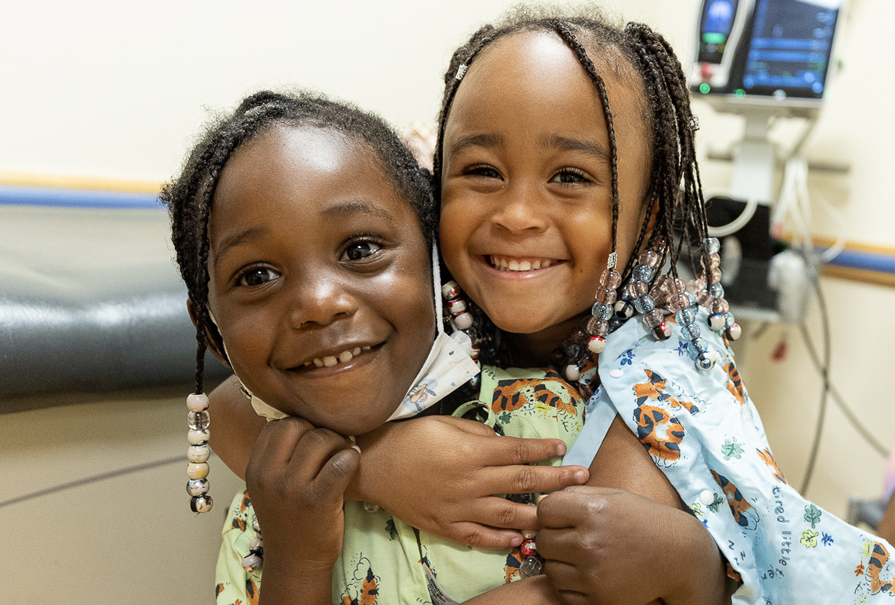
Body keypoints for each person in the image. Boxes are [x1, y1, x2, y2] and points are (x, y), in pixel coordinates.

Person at [204, 6, 895, 603]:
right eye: (480, 171)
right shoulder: (425, 305)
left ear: (647, 216)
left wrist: (695, 568)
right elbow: (232, 410)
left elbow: (567, 588)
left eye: (569, 177)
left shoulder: (657, 387)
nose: (516, 214)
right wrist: (376, 465)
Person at [166, 90, 729, 604]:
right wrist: (299, 559)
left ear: (435, 260)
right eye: (258, 275)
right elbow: (222, 408)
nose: (319, 303)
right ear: (212, 332)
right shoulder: (274, 514)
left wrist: (692, 564)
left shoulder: (554, 427)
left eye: (361, 248)